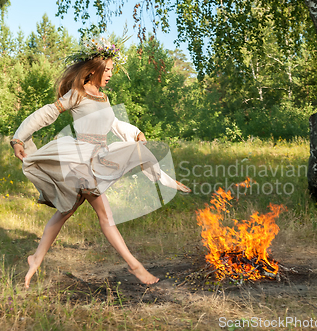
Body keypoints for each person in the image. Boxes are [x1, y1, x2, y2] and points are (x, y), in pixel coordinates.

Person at [10, 36, 191, 288]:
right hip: (81, 160)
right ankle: (135, 266)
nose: (110, 75)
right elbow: (46, 113)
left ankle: (36, 258)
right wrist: (19, 138)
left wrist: (135, 131)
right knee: (105, 217)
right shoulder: (77, 94)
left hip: (100, 157)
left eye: (112, 71)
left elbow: (113, 124)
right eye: (107, 70)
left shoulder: (103, 97)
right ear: (94, 69)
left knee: (65, 213)